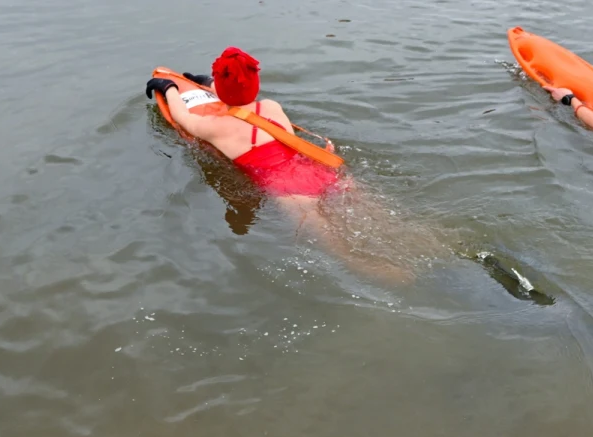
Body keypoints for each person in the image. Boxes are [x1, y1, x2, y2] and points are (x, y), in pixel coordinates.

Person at [146, 47, 414, 283]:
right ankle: (430, 249)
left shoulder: (216, 127)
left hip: (288, 189)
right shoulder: (271, 107)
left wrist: (167, 87)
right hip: (316, 169)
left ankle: (386, 275)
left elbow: (182, 117)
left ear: (220, 89)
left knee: (333, 244)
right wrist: (207, 82)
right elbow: (241, 98)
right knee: (382, 215)